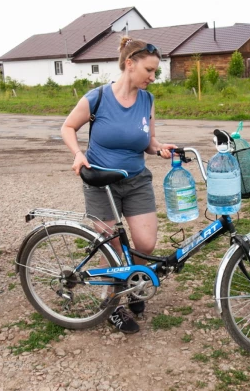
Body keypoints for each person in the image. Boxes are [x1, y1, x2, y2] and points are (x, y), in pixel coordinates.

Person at [61, 37, 176, 334]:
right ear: (129, 64)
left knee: (146, 244)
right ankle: (113, 305)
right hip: (101, 182)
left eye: (155, 72)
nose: (153, 77)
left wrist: (160, 148)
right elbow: (68, 127)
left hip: (136, 180)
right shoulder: (97, 98)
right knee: (111, 250)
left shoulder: (147, 100)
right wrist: (78, 154)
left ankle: (134, 284)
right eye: (149, 70)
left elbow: (148, 142)